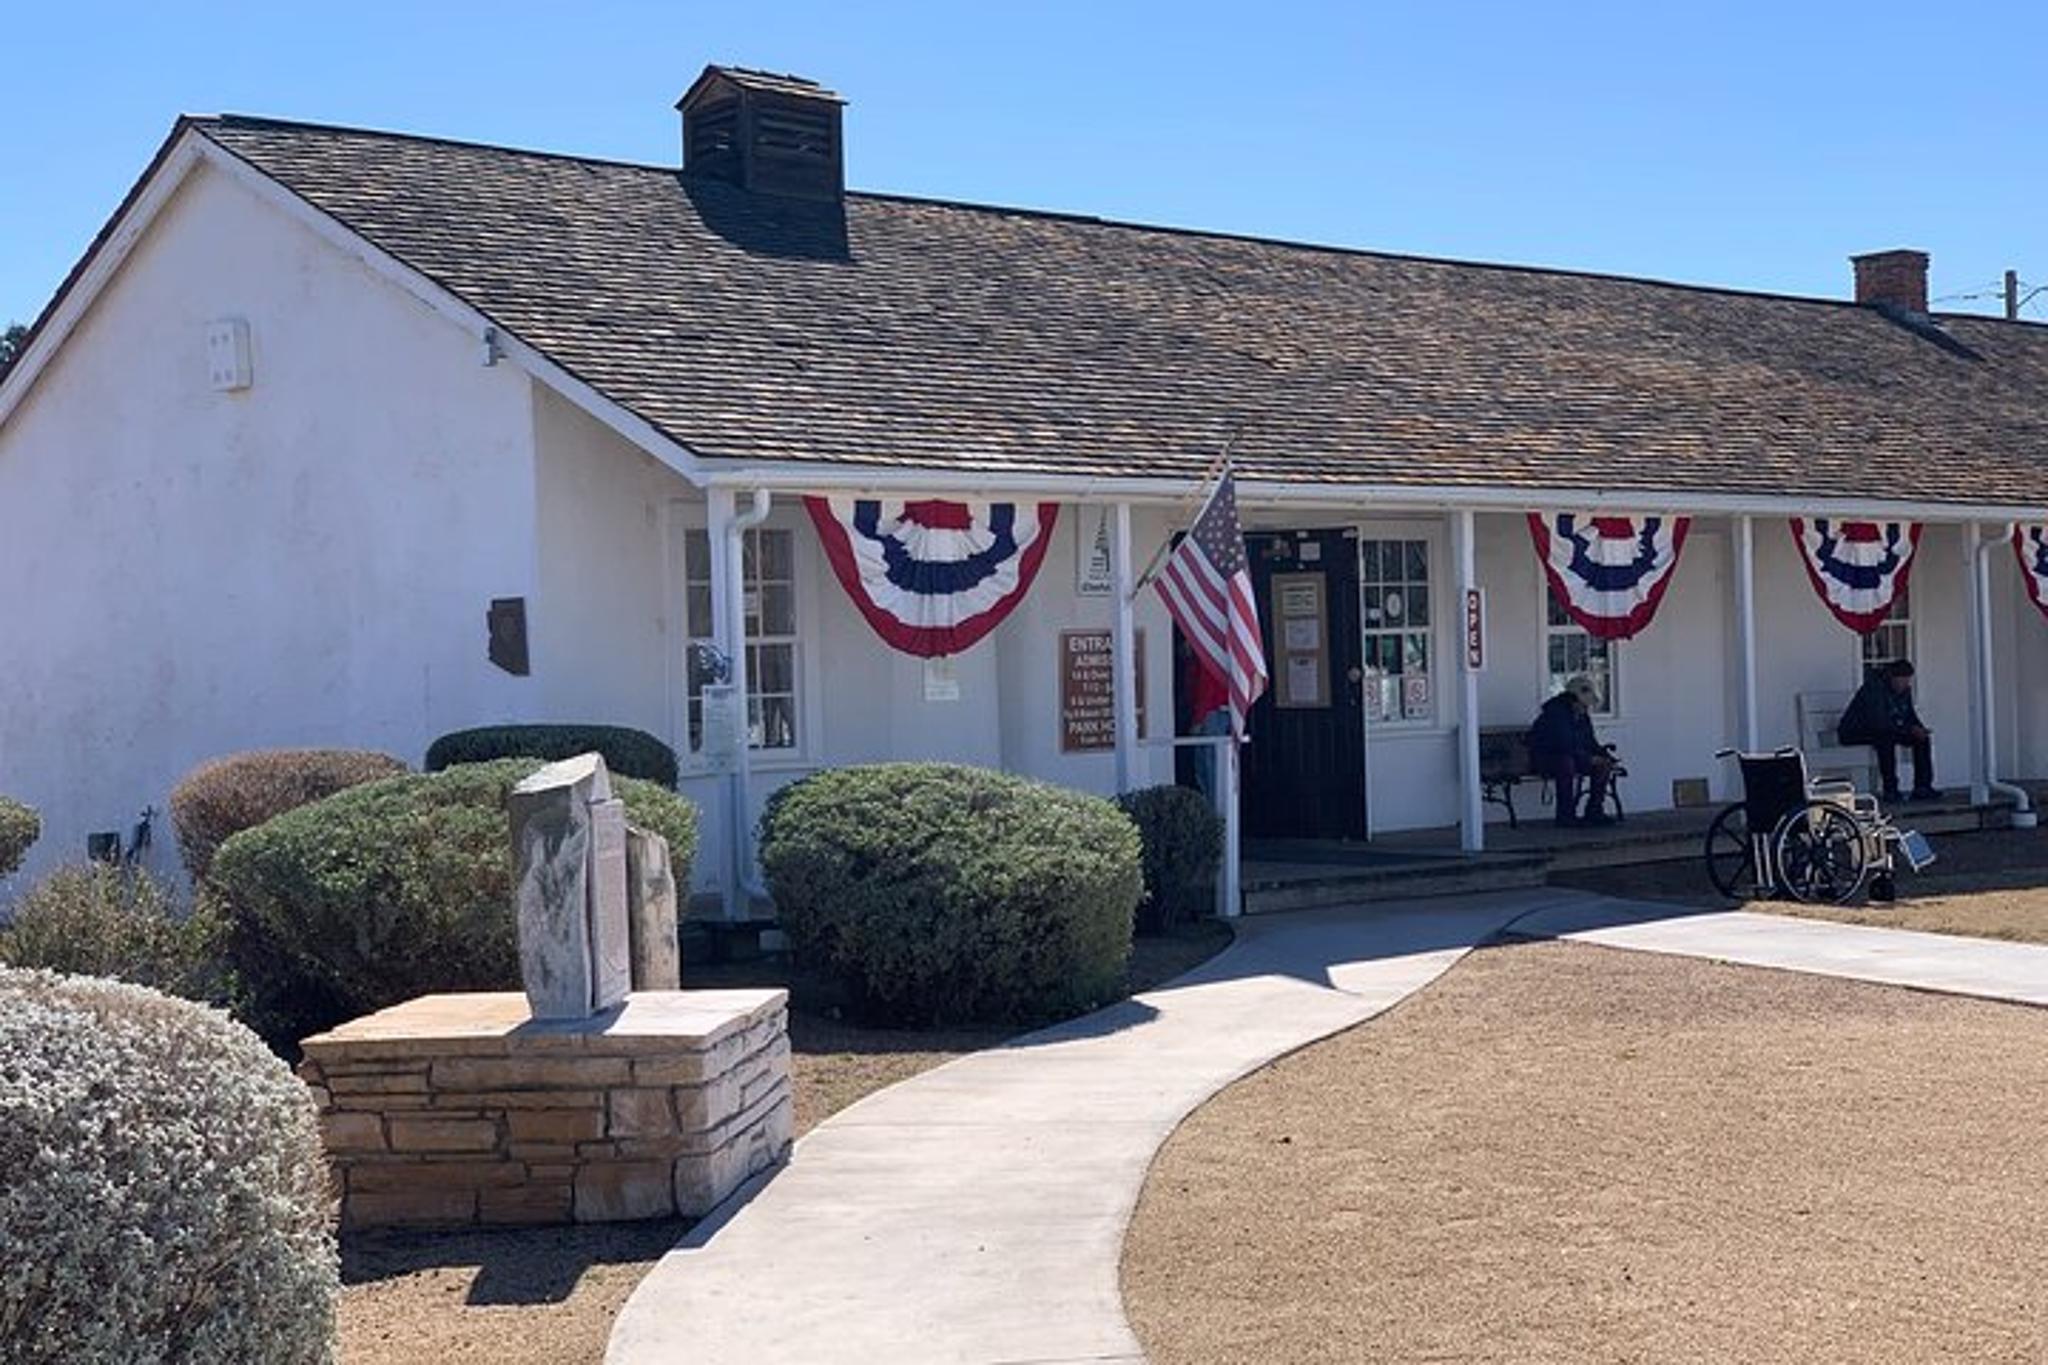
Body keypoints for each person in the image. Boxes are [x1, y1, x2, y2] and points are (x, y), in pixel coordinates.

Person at [1838, 659, 1935, 803]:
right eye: (1903, 680)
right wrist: (1908, 729)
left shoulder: (1905, 691)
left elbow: (1909, 715)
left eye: (1908, 680)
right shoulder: (1873, 689)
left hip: (1887, 729)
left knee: (1921, 739)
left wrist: (1918, 729)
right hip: (1856, 731)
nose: (1906, 683)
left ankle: (1923, 787)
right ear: (1892, 678)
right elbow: (1878, 721)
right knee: (1885, 739)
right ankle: (1891, 789)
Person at [1527, 675, 1615, 828]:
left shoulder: (1582, 716)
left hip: (1575, 758)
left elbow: (1590, 742)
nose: (1586, 708)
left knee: (1603, 765)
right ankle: (1565, 815)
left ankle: (1594, 811)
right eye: (1584, 704)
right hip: (1546, 760)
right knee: (1566, 763)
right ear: (1572, 700)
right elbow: (1564, 745)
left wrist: (1602, 755)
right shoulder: (1555, 715)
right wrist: (1589, 759)